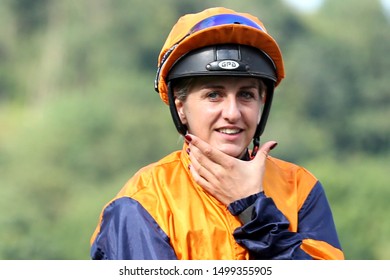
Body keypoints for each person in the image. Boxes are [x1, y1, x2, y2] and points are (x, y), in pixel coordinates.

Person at [89, 7, 344, 260]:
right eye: (214, 95)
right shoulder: (141, 202)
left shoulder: (300, 189)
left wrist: (253, 209)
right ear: (181, 107)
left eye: (246, 95)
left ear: (261, 104)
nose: (232, 113)